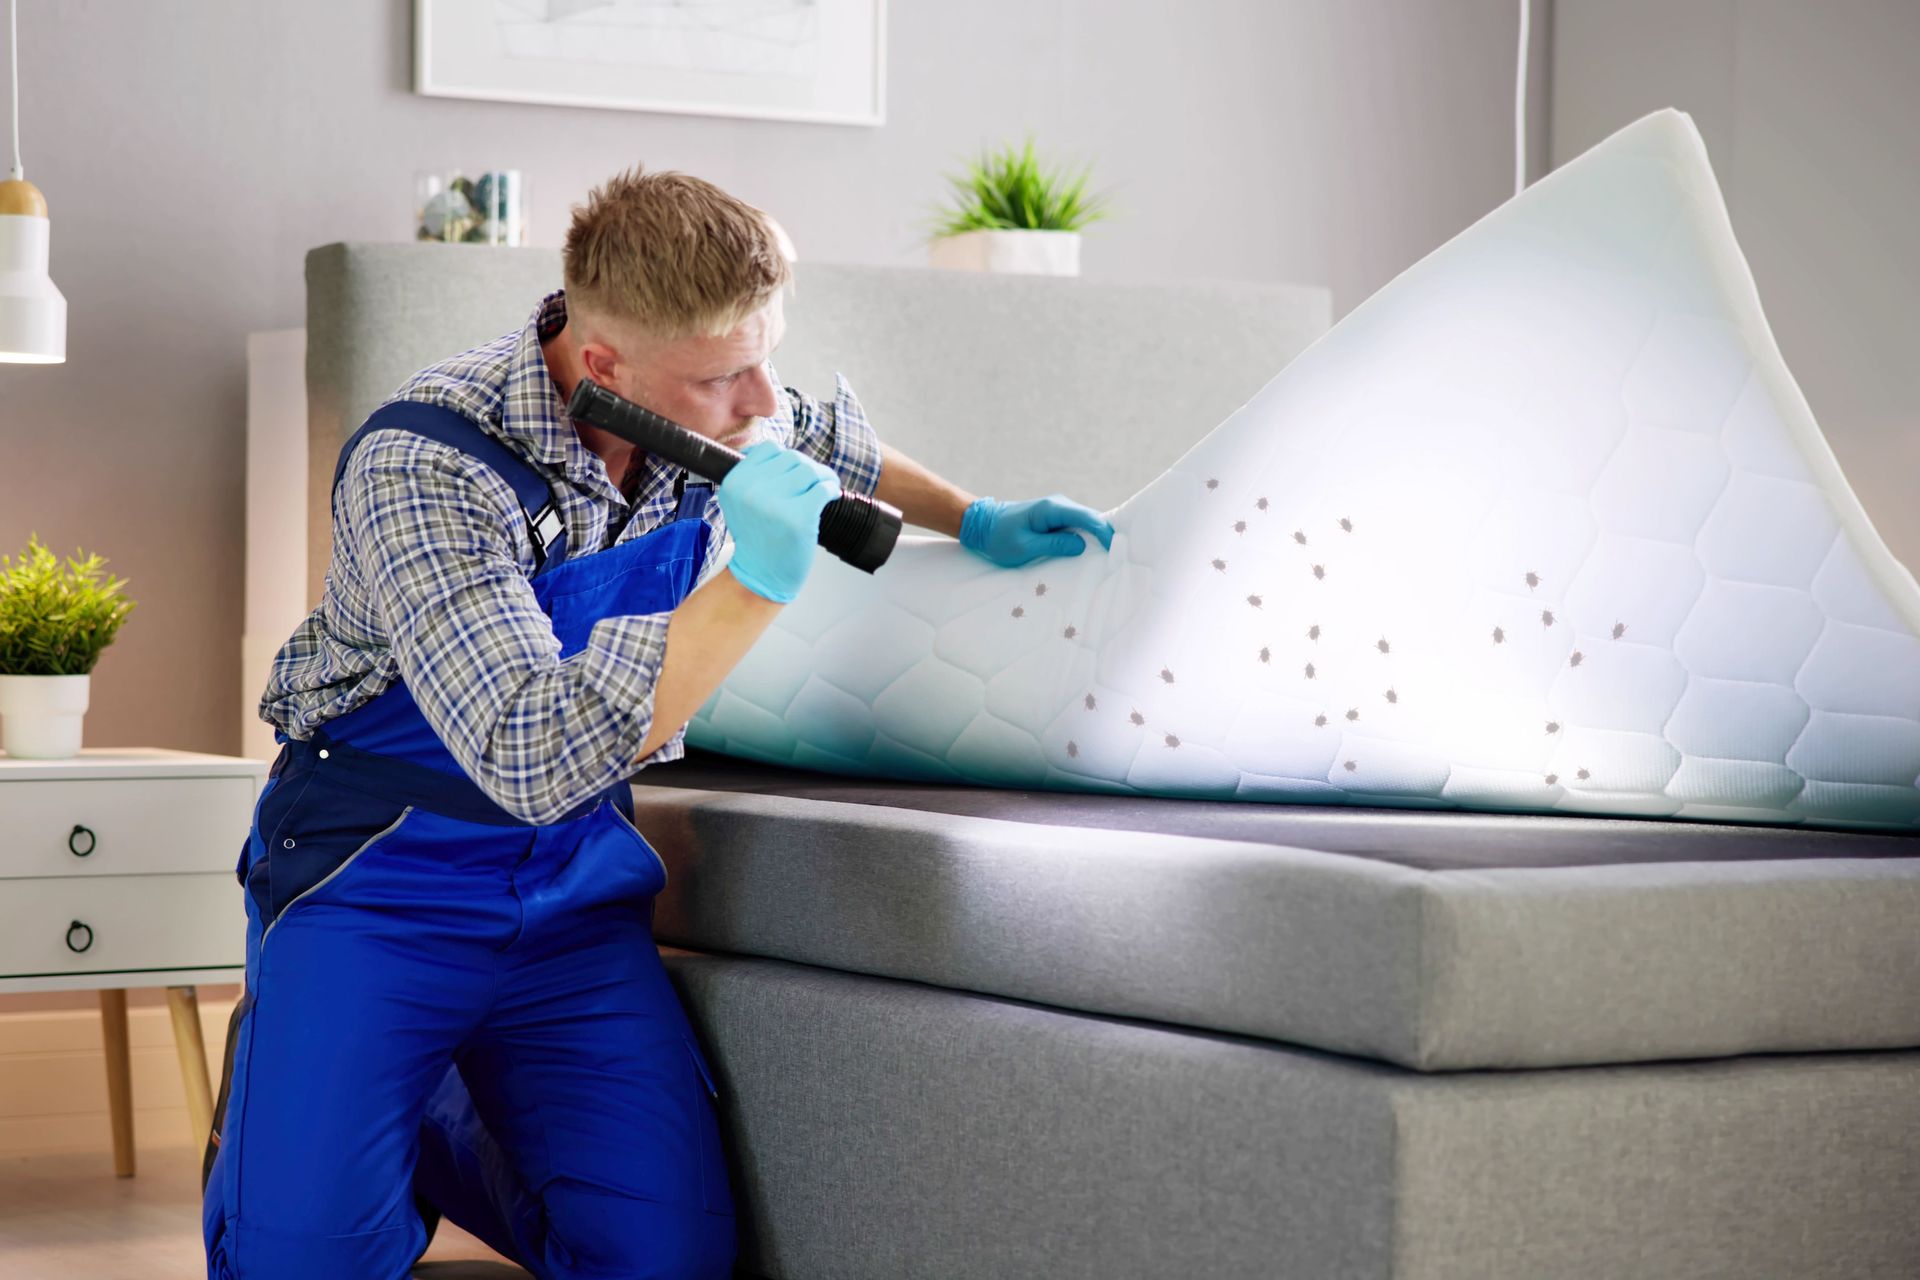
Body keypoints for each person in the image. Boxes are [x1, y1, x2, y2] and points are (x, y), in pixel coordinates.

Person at [197, 167, 1113, 1279]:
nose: (763, 402)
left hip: (574, 890)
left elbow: (835, 443)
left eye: (766, 354)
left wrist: (976, 516)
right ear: (605, 369)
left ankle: (426, 1127)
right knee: (303, 1261)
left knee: (663, 1258)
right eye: (728, 375)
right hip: (379, 883)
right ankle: (343, 1096)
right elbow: (527, 755)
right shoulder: (425, 466)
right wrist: (757, 583)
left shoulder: (701, 407)